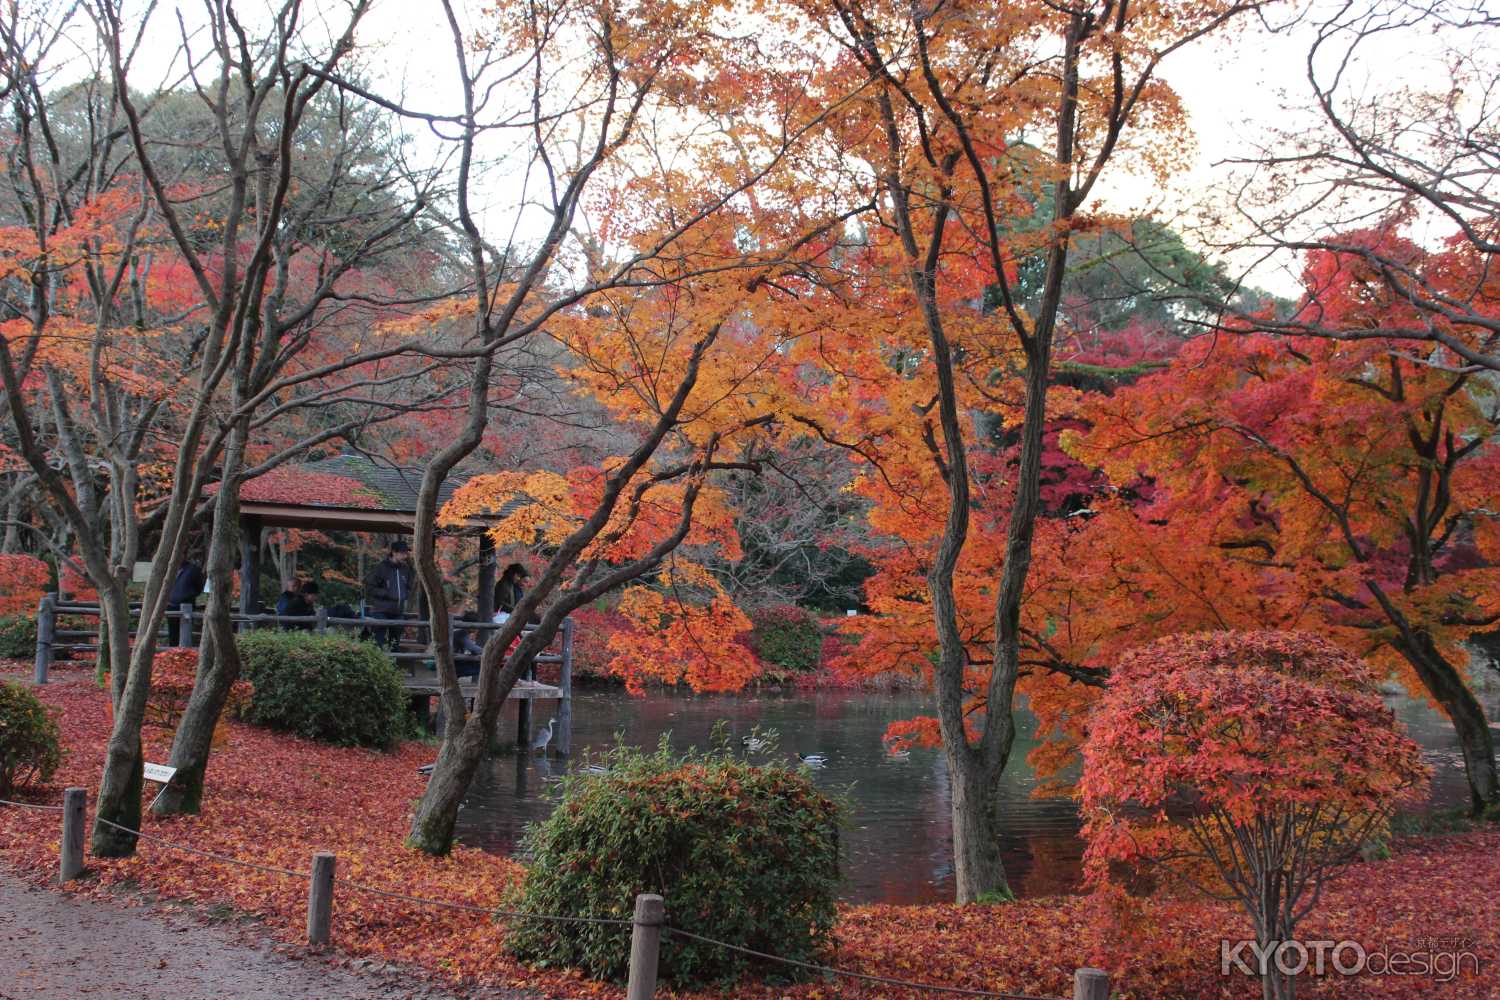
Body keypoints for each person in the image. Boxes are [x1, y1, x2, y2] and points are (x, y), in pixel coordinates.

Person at [363, 540, 414, 650]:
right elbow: (369, 587)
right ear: (394, 552)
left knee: (395, 643)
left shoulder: (406, 569)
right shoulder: (381, 568)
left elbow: (409, 586)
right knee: (378, 643)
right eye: (402, 552)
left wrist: (406, 594)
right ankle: (378, 665)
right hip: (381, 610)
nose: (405, 555)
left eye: (406, 553)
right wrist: (387, 594)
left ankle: (394, 665)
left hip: (398, 611)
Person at [167, 549, 206, 646]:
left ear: (184, 556)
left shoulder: (193, 569)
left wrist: (189, 595)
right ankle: (172, 653)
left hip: (187, 604)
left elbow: (199, 587)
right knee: (172, 633)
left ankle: (184, 653)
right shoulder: (170, 569)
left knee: (185, 631)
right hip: (171, 605)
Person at [452, 610, 484, 680]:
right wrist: (487, 651)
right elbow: (472, 648)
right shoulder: (461, 633)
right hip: (453, 665)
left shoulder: (459, 630)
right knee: (483, 666)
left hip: (454, 661)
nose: (477, 628)